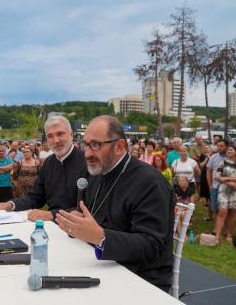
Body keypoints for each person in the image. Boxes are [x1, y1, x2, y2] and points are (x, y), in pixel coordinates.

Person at [54, 115, 174, 292]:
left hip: (141, 279)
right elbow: (97, 218)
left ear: (119, 147)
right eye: (85, 145)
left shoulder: (150, 183)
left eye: (95, 145)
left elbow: (152, 245)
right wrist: (78, 221)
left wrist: (101, 237)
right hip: (103, 266)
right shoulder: (97, 173)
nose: (87, 153)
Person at [0, 115, 88, 222]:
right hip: (51, 228)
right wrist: (10, 205)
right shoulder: (49, 163)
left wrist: (52, 214)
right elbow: (36, 197)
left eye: (60, 134)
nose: (56, 140)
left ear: (71, 134)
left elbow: (90, 206)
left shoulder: (88, 163)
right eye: (50, 136)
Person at [214, 144, 236, 243]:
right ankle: (217, 236)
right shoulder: (222, 162)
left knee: (233, 213)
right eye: (228, 150)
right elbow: (218, 176)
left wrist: (227, 179)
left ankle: (229, 234)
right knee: (222, 211)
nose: (229, 151)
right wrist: (230, 180)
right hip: (224, 189)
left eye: (231, 150)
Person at [207, 139, 228, 219]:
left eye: (221, 146)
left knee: (225, 208)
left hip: (227, 186)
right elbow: (209, 171)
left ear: (226, 146)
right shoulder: (213, 157)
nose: (219, 148)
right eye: (218, 146)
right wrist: (210, 185)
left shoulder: (231, 156)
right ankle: (217, 225)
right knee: (215, 208)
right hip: (215, 186)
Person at [199, 145, 213, 221]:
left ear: (210, 148)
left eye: (207, 148)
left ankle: (211, 213)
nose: (206, 149)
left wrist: (210, 157)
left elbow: (213, 165)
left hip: (212, 176)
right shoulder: (202, 156)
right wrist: (207, 158)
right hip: (204, 176)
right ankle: (209, 214)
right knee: (207, 195)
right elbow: (201, 165)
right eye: (204, 148)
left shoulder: (214, 156)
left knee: (211, 196)